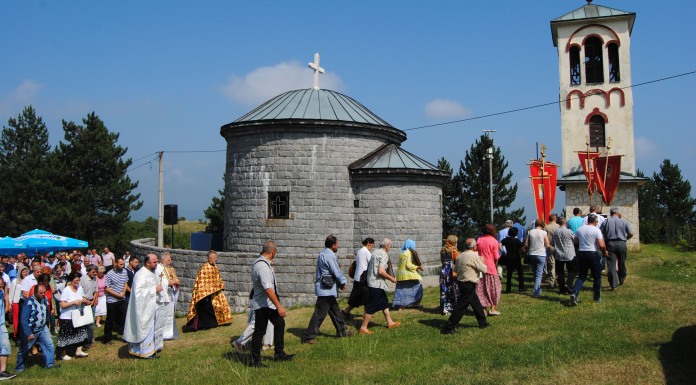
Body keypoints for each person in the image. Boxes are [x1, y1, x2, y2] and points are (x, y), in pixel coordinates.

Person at [248, 240, 294, 368]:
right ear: (273, 252)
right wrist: (279, 306)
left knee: (279, 323)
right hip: (263, 304)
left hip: (268, 304)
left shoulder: (262, 263)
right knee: (259, 332)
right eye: (275, 252)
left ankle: (279, 353)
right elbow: (268, 289)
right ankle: (255, 361)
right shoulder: (262, 266)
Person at [302, 235, 352, 344]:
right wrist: (343, 281)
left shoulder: (324, 253)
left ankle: (342, 331)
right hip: (326, 289)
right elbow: (336, 270)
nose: (337, 246)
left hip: (327, 289)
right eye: (337, 244)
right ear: (333, 245)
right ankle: (308, 336)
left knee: (335, 311)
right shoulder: (329, 255)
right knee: (319, 313)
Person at [441, 238, 490, 333]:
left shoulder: (460, 255)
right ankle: (448, 327)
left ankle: (482, 322)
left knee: (476, 303)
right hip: (469, 282)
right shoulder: (473, 256)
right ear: (474, 247)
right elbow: (483, 269)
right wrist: (482, 260)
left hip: (461, 281)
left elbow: (455, 270)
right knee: (461, 306)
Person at [124, 254, 166, 359]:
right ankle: (144, 352)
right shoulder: (140, 275)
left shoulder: (152, 273)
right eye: (155, 262)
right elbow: (138, 293)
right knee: (144, 328)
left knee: (151, 329)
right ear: (148, 263)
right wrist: (153, 290)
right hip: (142, 309)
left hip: (150, 306)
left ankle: (148, 351)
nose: (157, 264)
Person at [358, 238, 400, 334]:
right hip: (376, 284)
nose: (390, 247)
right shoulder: (384, 255)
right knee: (372, 306)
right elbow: (381, 271)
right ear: (386, 246)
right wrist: (392, 279)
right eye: (390, 245)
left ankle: (390, 322)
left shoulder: (374, 252)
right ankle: (363, 327)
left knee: (384, 302)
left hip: (371, 282)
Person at [185, 251, 232, 331]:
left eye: (216, 258)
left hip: (215, 292)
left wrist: (218, 286)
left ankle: (219, 322)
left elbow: (217, 279)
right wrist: (206, 293)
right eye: (214, 258)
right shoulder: (204, 268)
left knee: (219, 306)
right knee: (206, 308)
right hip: (205, 295)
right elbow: (201, 283)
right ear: (209, 258)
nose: (215, 259)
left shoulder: (215, 266)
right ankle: (205, 325)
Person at [16, 283, 57, 373]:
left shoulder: (45, 299)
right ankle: (19, 368)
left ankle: (50, 364)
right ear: (35, 292)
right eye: (41, 293)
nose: (43, 294)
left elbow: (46, 312)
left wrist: (47, 323)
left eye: (44, 292)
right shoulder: (29, 302)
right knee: (24, 349)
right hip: (31, 330)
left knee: (49, 344)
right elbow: (23, 319)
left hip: (42, 328)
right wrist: (28, 333)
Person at [571, 214, 609, 305]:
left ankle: (574, 293)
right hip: (592, 253)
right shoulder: (596, 230)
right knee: (597, 276)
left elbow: (575, 241)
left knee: (582, 276)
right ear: (595, 221)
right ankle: (597, 297)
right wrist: (604, 252)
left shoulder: (580, 229)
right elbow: (601, 245)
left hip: (581, 253)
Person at [57, 272, 90, 360]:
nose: (77, 282)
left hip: (78, 314)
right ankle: (63, 354)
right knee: (65, 336)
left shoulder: (80, 288)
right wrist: (73, 302)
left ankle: (78, 350)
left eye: (78, 280)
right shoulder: (66, 290)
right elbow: (62, 304)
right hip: (67, 317)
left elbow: (82, 297)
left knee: (80, 333)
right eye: (76, 281)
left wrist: (85, 301)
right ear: (71, 281)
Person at [341, 237, 374, 319]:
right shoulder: (366, 252)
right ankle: (365, 314)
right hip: (363, 277)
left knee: (358, 297)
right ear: (369, 244)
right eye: (372, 245)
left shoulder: (360, 251)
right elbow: (372, 263)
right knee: (366, 296)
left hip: (358, 277)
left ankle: (346, 311)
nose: (372, 247)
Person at [602, 207, 633, 288]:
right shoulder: (624, 221)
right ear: (618, 213)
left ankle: (613, 284)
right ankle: (622, 278)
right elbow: (631, 233)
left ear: (611, 213)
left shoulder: (606, 221)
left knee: (611, 264)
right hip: (621, 243)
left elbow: (601, 233)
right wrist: (625, 239)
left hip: (610, 243)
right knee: (622, 262)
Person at [476, 224, 502, 316]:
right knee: (494, 288)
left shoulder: (479, 239)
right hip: (490, 267)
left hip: (480, 266)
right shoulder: (494, 241)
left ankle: (483, 309)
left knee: (481, 288)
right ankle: (492, 308)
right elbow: (496, 257)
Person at [102, 257, 129, 344]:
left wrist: (123, 293)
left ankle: (126, 336)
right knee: (110, 319)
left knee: (125, 316)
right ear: (115, 264)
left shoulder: (124, 271)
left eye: (123, 264)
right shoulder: (109, 274)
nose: (122, 266)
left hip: (122, 298)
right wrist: (117, 295)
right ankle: (107, 338)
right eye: (120, 264)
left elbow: (125, 282)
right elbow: (106, 288)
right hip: (112, 300)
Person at [392, 239, 424, 309]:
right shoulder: (409, 252)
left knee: (401, 290)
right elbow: (408, 265)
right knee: (417, 288)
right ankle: (414, 303)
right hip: (408, 275)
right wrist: (418, 267)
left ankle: (399, 304)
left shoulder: (402, 253)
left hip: (401, 275)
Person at [552, 217, 578, 295]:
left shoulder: (555, 232)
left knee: (560, 272)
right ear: (565, 223)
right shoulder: (569, 231)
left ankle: (562, 289)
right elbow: (575, 240)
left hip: (559, 254)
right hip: (569, 253)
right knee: (573, 270)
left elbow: (552, 243)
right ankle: (568, 283)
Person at [525, 219, 550, 298]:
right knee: (539, 274)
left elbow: (526, 244)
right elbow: (547, 244)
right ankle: (536, 291)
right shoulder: (544, 233)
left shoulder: (530, 232)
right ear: (542, 225)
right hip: (541, 254)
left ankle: (537, 288)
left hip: (532, 253)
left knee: (534, 272)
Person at [160, 252, 180, 340]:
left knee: (170, 314)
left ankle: (169, 332)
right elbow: (159, 281)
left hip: (170, 293)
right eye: (168, 260)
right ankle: (163, 333)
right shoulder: (159, 269)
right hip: (163, 295)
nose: (170, 262)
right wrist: (168, 283)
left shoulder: (169, 268)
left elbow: (176, 280)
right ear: (162, 260)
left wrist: (173, 282)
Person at [501, 227, 525, 293]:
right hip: (517, 258)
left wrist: (503, 251)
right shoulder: (517, 240)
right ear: (516, 233)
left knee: (509, 274)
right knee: (520, 273)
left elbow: (499, 245)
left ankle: (508, 289)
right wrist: (523, 252)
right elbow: (522, 249)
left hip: (508, 258)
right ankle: (521, 288)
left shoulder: (506, 239)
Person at [439, 235, 459, 315]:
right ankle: (452, 306)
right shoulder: (454, 250)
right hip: (451, 270)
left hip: (444, 270)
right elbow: (456, 261)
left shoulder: (443, 249)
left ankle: (444, 307)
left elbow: (442, 260)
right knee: (452, 288)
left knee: (444, 289)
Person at [80, 265, 98, 347]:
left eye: (95, 272)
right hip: (84, 303)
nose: (94, 274)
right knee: (85, 323)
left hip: (91, 302)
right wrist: (86, 301)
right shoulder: (83, 280)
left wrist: (93, 300)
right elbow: (80, 292)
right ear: (88, 271)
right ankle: (85, 341)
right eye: (93, 272)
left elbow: (95, 291)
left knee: (91, 322)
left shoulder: (95, 279)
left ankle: (90, 338)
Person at [0, 279, 14, 379]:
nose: (1, 289)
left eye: (2, 286)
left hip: (1, 324)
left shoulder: (1, 292)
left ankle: (2, 371)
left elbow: (5, 295)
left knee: (5, 345)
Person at [9, 266, 28, 342]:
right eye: (23, 272)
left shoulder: (28, 280)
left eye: (26, 272)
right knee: (16, 320)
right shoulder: (15, 281)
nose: (25, 273)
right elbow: (11, 293)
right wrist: (10, 303)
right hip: (16, 302)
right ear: (20, 272)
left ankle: (24, 335)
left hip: (25, 302)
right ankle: (16, 336)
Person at [544, 214, 560, 288]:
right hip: (559, 247)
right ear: (555, 219)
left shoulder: (546, 227)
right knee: (559, 264)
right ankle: (557, 278)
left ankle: (552, 280)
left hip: (550, 246)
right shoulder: (558, 227)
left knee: (551, 264)